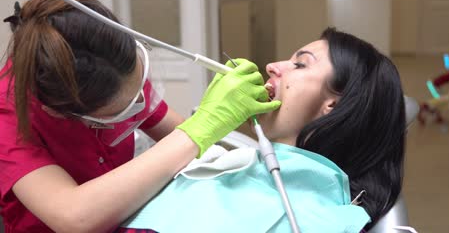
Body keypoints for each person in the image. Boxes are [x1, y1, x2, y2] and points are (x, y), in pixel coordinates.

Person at [0, 0, 280, 232]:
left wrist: (216, 124)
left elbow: (180, 140)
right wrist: (202, 125)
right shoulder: (9, 114)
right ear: (65, 113)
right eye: (120, 111)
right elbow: (74, 216)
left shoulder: (111, 64)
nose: (139, 104)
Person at [120, 27, 407, 232]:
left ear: (332, 106)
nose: (271, 66)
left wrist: (203, 127)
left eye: (300, 64)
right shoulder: (239, 163)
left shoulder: (317, 219)